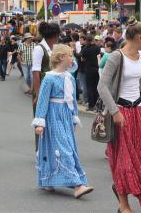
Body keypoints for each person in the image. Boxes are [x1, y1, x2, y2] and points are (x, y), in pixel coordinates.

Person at [98, 17, 141, 212]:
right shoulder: (116, 57)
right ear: (138, 37)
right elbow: (101, 86)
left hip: (137, 112)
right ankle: (123, 204)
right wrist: (115, 111)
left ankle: (120, 188)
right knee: (124, 161)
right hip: (120, 112)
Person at [32, 44, 94, 198]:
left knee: (67, 147)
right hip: (53, 116)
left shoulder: (69, 77)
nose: (72, 58)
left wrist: (73, 117)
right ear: (61, 58)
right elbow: (42, 100)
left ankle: (49, 180)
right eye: (69, 55)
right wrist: (40, 122)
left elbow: (72, 99)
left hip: (65, 116)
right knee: (62, 148)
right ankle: (77, 185)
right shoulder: (49, 78)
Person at [32, 22, 60, 151]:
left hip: (52, 90)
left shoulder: (53, 48)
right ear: (54, 36)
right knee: (40, 120)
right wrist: (38, 94)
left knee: (52, 120)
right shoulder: (39, 49)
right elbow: (36, 73)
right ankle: (40, 151)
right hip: (42, 89)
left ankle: (50, 149)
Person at [81, 35, 101, 111]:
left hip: (88, 69)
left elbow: (82, 59)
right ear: (92, 40)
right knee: (96, 87)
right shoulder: (97, 48)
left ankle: (91, 106)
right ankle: (96, 105)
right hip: (96, 69)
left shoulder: (85, 49)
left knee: (89, 88)